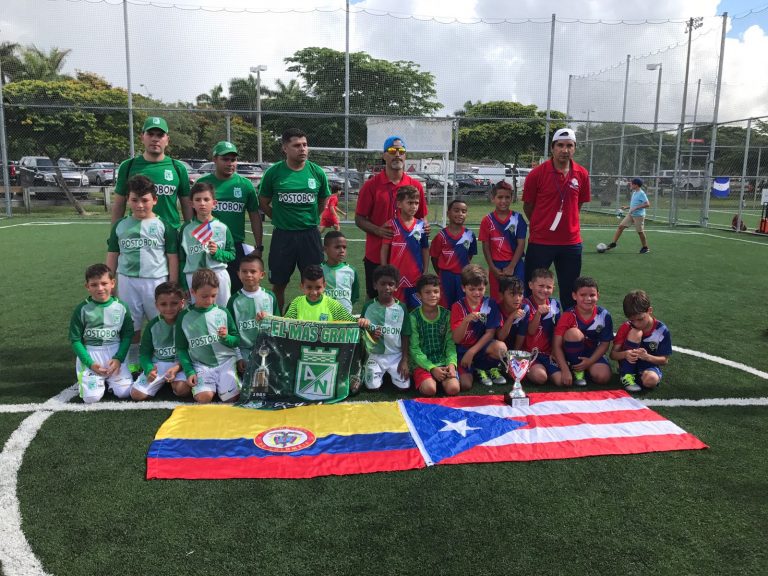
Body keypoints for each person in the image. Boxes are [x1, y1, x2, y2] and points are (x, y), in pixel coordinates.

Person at [106, 175, 179, 374]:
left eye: (145, 200)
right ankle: (133, 363)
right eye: (135, 200)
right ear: (128, 200)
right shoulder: (120, 226)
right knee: (132, 325)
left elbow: (172, 257)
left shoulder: (164, 225)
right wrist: (110, 283)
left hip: (156, 281)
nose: (140, 205)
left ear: (154, 200)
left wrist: (173, 285)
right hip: (128, 281)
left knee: (164, 322)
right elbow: (113, 254)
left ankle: (166, 360)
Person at [259, 128, 330, 311]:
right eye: (297, 145)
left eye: (305, 145)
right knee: (279, 284)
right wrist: (279, 218)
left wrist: (313, 217)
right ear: (285, 148)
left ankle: (313, 323)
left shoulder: (317, 172)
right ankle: (278, 323)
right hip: (283, 236)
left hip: (310, 235)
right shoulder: (274, 173)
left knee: (314, 284)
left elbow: (323, 200)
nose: (303, 149)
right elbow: (264, 201)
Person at [523, 127, 591, 310]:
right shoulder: (536, 174)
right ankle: (532, 331)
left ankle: (566, 329)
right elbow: (528, 205)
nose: (565, 150)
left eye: (569, 145)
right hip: (541, 241)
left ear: (574, 148)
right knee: (532, 288)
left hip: (571, 242)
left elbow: (579, 204)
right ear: (552, 148)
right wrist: (541, 224)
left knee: (570, 290)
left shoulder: (582, 174)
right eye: (560, 145)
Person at [355, 136, 428, 299]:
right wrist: (378, 230)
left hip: (407, 259)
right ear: (384, 155)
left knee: (409, 303)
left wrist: (425, 226)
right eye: (392, 151)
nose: (397, 154)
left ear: (405, 156)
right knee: (375, 299)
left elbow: (422, 217)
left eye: (401, 151)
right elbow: (359, 218)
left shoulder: (415, 186)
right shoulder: (371, 185)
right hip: (376, 254)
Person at [198, 141, 264, 293]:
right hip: (207, 246)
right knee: (207, 291)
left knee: (237, 291)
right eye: (225, 159)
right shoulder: (203, 183)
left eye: (233, 159)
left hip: (235, 246)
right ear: (215, 159)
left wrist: (259, 246)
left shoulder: (245, 185)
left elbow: (254, 215)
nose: (230, 163)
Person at [112, 116, 192, 230]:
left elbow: (187, 205)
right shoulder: (128, 166)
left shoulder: (178, 168)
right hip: (137, 234)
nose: (155, 139)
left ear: (167, 140)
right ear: (142, 137)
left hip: (170, 235)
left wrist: (190, 234)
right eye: (150, 134)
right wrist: (114, 234)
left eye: (160, 135)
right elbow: (119, 205)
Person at [69, 263, 134, 403]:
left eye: (104, 283)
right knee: (91, 398)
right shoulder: (82, 309)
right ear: (87, 286)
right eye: (94, 285)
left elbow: (127, 335)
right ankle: (94, 378)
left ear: (112, 283)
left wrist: (119, 358)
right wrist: (90, 363)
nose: (100, 288)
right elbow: (75, 339)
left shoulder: (122, 307)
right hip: (92, 354)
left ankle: (110, 381)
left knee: (124, 392)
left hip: (114, 353)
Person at [176, 268, 241, 403]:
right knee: (203, 398)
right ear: (193, 292)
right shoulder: (184, 316)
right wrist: (189, 371)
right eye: (204, 296)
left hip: (225, 362)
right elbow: (181, 348)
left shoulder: (223, 312)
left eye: (213, 295)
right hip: (201, 365)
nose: (210, 300)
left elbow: (236, 340)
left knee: (231, 398)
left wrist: (227, 337)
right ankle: (213, 387)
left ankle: (229, 383)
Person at [450, 264, 508, 389]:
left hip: (481, 348)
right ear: (463, 288)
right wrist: (466, 321)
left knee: (501, 348)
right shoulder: (458, 306)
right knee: (465, 384)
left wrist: (472, 351)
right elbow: (456, 339)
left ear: (485, 287)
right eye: (472, 289)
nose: (477, 293)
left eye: (480, 289)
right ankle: (474, 369)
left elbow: (490, 333)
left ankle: (484, 368)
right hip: (462, 350)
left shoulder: (490, 303)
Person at [178, 181, 235, 306]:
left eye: (206, 199)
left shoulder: (222, 227)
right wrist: (183, 284)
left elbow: (231, 254)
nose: (202, 203)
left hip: (218, 273)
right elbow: (181, 259)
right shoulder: (186, 228)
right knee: (196, 313)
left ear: (214, 203)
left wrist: (217, 253)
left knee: (222, 311)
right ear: (191, 203)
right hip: (193, 276)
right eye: (198, 200)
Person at [131, 282, 189, 400]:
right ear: (156, 305)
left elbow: (194, 352)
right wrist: (148, 369)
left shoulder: (188, 322)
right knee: (137, 395)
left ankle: (173, 382)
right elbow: (144, 353)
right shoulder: (152, 325)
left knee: (182, 390)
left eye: (174, 303)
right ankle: (162, 381)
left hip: (181, 363)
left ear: (182, 303)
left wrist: (178, 368)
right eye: (163, 304)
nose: (169, 308)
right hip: (159, 364)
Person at [552, 276, 613, 387]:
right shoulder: (568, 315)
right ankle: (577, 370)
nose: (588, 299)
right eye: (583, 295)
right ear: (574, 296)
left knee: (603, 377)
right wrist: (565, 370)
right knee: (574, 333)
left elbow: (605, 344)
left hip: (592, 354)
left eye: (592, 295)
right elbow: (556, 345)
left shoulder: (604, 315)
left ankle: (587, 368)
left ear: (598, 296)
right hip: (571, 354)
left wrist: (590, 361)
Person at [360, 265, 411, 392]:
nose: (387, 287)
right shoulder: (368, 307)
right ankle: (377, 371)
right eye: (383, 283)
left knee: (404, 386)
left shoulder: (402, 308)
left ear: (396, 286)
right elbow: (361, 331)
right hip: (375, 354)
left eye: (391, 284)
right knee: (372, 387)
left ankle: (390, 373)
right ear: (375, 285)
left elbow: (405, 334)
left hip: (396, 355)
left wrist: (404, 360)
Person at [610, 289, 671, 393]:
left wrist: (647, 357)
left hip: (648, 365)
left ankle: (637, 376)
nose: (636, 324)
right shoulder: (626, 327)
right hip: (627, 363)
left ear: (649, 311)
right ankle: (627, 376)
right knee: (636, 332)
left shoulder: (661, 330)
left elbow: (664, 360)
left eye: (640, 319)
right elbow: (613, 355)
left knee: (651, 381)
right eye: (632, 320)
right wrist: (626, 354)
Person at [227, 254, 279, 374]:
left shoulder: (270, 297)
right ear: (238, 274)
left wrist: (268, 319)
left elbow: (278, 326)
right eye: (244, 271)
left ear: (262, 275)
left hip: (267, 347)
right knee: (250, 373)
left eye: (253, 271)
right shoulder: (234, 300)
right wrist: (239, 357)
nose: (248, 275)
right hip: (244, 350)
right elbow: (231, 333)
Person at [409, 273, 459, 397]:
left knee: (453, 389)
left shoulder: (446, 315)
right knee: (429, 390)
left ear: (440, 293)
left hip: (443, 362)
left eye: (436, 291)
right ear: (419, 296)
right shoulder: (413, 317)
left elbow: (450, 344)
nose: (432, 295)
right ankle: (430, 379)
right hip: (423, 364)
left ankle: (443, 379)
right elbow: (414, 349)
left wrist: (452, 364)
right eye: (427, 292)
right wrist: (431, 368)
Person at [381, 186, 429, 309]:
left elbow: (425, 249)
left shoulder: (421, 226)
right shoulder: (391, 225)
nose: (414, 206)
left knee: (416, 312)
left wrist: (425, 270)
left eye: (416, 203)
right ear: (399, 204)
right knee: (395, 312)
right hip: (395, 278)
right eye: (409, 203)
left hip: (415, 278)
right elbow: (385, 248)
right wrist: (384, 270)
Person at [480, 180, 527, 303]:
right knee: (497, 299)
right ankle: (499, 322)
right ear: (493, 198)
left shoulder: (517, 218)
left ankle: (517, 322)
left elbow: (521, 243)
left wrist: (511, 266)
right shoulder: (487, 220)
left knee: (517, 298)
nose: (503, 201)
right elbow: (485, 246)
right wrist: (492, 267)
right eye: (500, 197)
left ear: (512, 198)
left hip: (515, 265)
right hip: (496, 266)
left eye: (507, 197)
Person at [284, 265, 370, 327]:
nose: (314, 292)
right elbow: (285, 325)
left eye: (318, 287)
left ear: (324, 286)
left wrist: (362, 321)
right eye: (309, 287)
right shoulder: (296, 303)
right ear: (302, 286)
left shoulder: (333, 305)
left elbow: (351, 322)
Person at [429, 198, 477, 309]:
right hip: (446, 276)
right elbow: (434, 258)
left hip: (463, 276)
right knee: (445, 305)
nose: (460, 214)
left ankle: (460, 325)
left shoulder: (470, 235)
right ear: (448, 213)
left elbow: (469, 255)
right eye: (456, 210)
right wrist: (443, 272)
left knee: (462, 305)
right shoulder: (441, 236)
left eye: (463, 211)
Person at [522, 268, 562, 386]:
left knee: (560, 381)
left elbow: (558, 330)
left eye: (548, 287)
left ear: (553, 288)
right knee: (541, 378)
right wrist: (538, 313)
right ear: (530, 285)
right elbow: (531, 331)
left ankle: (545, 368)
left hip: (547, 353)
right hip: (528, 353)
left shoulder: (554, 303)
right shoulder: (524, 305)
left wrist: (555, 351)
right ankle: (525, 369)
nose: (544, 290)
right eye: (540, 286)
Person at [607, 178, 650, 253]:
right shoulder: (634, 192)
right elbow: (635, 204)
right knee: (620, 227)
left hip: (639, 216)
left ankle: (645, 247)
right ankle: (613, 243)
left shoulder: (641, 193)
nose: (630, 184)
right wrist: (627, 207)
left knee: (640, 232)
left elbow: (647, 204)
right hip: (631, 214)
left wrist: (636, 208)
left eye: (632, 183)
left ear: (636, 185)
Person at [321, 230, 359, 314]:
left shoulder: (351, 271)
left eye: (344, 247)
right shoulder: (319, 270)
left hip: (344, 318)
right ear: (325, 249)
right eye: (337, 247)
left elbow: (354, 296)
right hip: (324, 316)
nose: (342, 250)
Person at [496, 276, 529, 352]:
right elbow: (500, 337)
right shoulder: (496, 308)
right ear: (501, 295)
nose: (517, 298)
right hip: (497, 349)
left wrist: (515, 355)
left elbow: (521, 334)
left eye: (520, 294)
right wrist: (511, 317)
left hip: (513, 349)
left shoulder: (524, 309)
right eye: (512, 294)